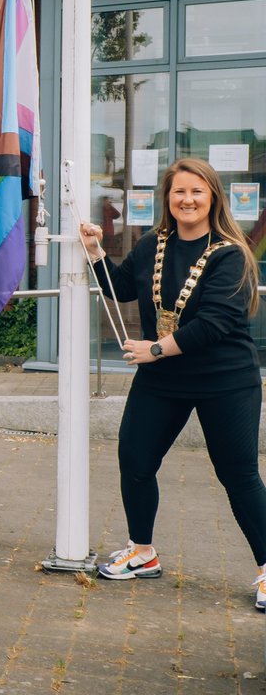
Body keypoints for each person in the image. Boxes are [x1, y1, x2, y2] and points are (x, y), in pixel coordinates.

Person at [82, 157, 266, 608]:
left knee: (237, 474)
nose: (187, 199)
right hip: (164, 380)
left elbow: (215, 323)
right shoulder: (152, 244)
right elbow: (123, 288)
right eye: (179, 191)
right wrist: (95, 254)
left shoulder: (230, 252)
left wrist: (155, 349)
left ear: (213, 198)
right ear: (168, 198)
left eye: (197, 192)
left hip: (225, 380)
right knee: (135, 458)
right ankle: (143, 553)